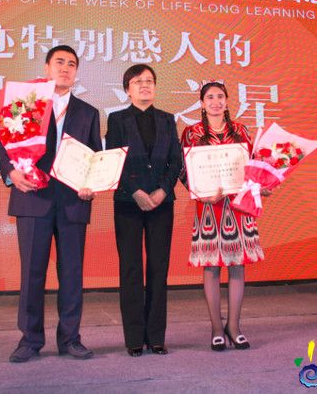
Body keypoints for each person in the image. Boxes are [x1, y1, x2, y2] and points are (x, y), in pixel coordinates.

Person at [0, 45, 101, 362]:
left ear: (76, 73)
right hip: (32, 198)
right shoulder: (25, 103)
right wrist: (11, 173)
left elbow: (94, 157)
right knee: (32, 274)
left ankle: (70, 339)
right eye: (59, 62)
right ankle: (29, 340)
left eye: (72, 64)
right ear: (46, 68)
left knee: (72, 274)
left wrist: (92, 184)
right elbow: (2, 144)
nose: (65, 68)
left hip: (73, 202)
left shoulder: (88, 112)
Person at [180, 81, 270, 351]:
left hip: (239, 206)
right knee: (211, 267)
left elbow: (252, 166)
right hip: (209, 206)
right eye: (210, 97)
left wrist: (261, 186)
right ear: (202, 103)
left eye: (220, 96)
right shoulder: (191, 133)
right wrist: (202, 193)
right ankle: (216, 329)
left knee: (237, 265)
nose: (215, 101)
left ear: (227, 101)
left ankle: (234, 326)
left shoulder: (241, 130)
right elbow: (184, 171)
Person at [105, 64, 183, 357]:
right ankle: (134, 338)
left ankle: (157, 337)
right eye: (138, 81)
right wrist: (136, 191)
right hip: (128, 202)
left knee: (158, 268)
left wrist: (162, 190)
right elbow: (113, 159)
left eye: (150, 81)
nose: (145, 85)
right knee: (131, 269)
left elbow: (175, 160)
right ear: (128, 89)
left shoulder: (167, 119)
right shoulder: (117, 119)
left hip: (162, 203)